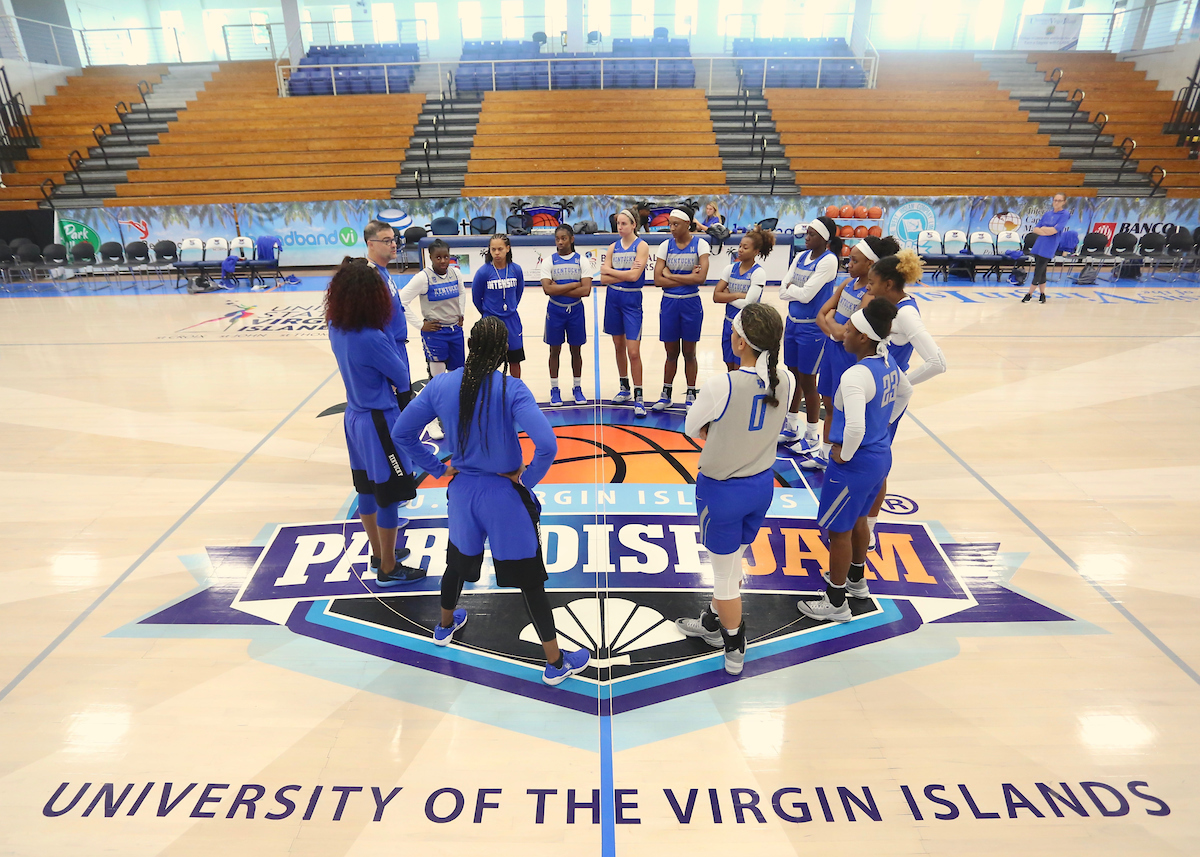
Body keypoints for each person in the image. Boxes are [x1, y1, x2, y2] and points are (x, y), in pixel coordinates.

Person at [392, 317, 592, 686]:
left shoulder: (441, 385)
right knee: (530, 580)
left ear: (469, 345)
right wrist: (526, 479)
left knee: (456, 563)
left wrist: (437, 469)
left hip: (463, 492)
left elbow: (401, 432)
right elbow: (547, 445)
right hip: (504, 497)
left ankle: (445, 625)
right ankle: (555, 662)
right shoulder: (512, 389)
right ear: (503, 352)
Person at [676, 303, 790, 675]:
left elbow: (690, 427)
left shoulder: (720, 384)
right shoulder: (784, 378)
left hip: (722, 491)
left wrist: (717, 433)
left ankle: (733, 642)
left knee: (725, 576)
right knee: (733, 562)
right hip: (761, 486)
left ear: (740, 342)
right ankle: (713, 620)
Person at [797, 297, 912, 622]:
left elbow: (856, 426)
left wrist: (842, 453)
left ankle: (836, 602)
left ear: (862, 337)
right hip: (880, 458)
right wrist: (886, 425)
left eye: (847, 329)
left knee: (839, 532)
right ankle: (856, 582)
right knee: (860, 520)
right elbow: (906, 393)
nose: (842, 333)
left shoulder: (855, 376)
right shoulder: (888, 363)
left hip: (856, 463)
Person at [325, 258, 422, 587]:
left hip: (353, 417)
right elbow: (401, 375)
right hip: (380, 419)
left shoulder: (335, 328)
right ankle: (388, 567)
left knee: (365, 490)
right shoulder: (372, 337)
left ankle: (378, 552)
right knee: (390, 495)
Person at [861, 247, 947, 549]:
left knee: (877, 461)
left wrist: (899, 385)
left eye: (872, 283)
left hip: (889, 399)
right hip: (880, 395)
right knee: (870, 458)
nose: (868, 288)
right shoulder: (894, 307)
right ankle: (863, 521)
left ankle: (869, 529)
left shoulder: (907, 313)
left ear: (888, 284)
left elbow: (938, 362)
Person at [809, 235, 901, 472]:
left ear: (870, 264)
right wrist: (833, 328)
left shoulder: (869, 296)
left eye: (854, 261)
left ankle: (842, 451)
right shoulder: (846, 284)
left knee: (843, 409)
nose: (848, 265)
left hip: (847, 356)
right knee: (828, 404)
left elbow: (843, 331)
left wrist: (832, 325)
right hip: (831, 351)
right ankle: (825, 451)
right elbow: (821, 314)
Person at [778, 216, 841, 452]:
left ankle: (812, 433)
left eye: (812, 234)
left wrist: (792, 290)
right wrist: (794, 291)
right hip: (792, 323)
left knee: (808, 380)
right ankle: (792, 425)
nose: (807, 237)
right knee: (793, 377)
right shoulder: (800, 257)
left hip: (813, 328)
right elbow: (782, 291)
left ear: (825, 239)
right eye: (807, 233)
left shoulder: (829, 261)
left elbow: (805, 295)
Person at [399, 238, 468, 441]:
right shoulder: (423, 278)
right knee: (437, 382)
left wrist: (461, 312)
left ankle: (453, 417)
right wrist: (420, 325)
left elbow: (462, 292)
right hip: (435, 334)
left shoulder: (456, 273)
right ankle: (432, 421)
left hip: (455, 331)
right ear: (430, 258)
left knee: (457, 379)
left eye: (446, 256)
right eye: (438, 257)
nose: (443, 261)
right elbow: (402, 301)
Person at [651, 209, 710, 411]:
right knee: (671, 352)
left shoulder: (700, 244)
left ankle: (691, 392)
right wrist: (685, 277)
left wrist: (671, 275)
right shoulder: (665, 245)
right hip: (669, 304)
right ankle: (666, 393)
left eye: (676, 224)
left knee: (690, 352)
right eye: (670, 224)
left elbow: (701, 279)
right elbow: (657, 280)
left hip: (691, 303)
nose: (672, 228)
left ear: (687, 224)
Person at [537, 224, 594, 406]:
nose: (560, 242)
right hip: (555, 310)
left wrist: (558, 288)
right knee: (554, 350)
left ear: (571, 239)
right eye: (557, 239)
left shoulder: (581, 261)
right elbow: (547, 289)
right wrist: (573, 285)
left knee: (576, 350)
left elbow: (586, 291)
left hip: (576, 310)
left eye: (563, 238)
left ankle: (577, 387)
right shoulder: (549, 261)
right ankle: (555, 389)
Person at [601, 209, 650, 414]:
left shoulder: (642, 246)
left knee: (633, 351)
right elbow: (603, 279)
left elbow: (634, 277)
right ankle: (624, 387)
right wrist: (624, 273)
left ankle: (639, 395)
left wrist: (612, 272)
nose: (620, 227)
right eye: (618, 224)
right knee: (618, 346)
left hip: (631, 300)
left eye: (623, 224)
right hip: (613, 299)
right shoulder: (613, 246)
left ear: (633, 225)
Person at [363, 219, 412, 409]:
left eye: (394, 240)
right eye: (387, 240)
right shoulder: (371, 276)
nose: (393, 245)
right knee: (400, 406)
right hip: (390, 349)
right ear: (371, 244)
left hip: (398, 346)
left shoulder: (383, 270)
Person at [713, 226, 773, 371]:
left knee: (742, 367)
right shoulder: (730, 269)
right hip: (728, 324)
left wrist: (727, 295)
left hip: (747, 326)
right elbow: (715, 296)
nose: (740, 250)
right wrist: (737, 295)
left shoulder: (758, 273)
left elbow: (747, 303)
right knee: (729, 366)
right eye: (740, 246)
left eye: (745, 248)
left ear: (755, 252)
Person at [471, 234, 525, 378]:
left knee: (515, 360)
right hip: (491, 321)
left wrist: (510, 308)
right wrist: (487, 314)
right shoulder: (483, 272)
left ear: (507, 249)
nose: (496, 253)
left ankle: (515, 391)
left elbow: (518, 293)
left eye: (500, 249)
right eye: (493, 249)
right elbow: (476, 298)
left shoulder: (516, 269)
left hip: (512, 321)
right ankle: (488, 393)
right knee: (489, 362)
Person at [1023, 192, 1069, 304]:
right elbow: (1036, 229)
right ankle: (1042, 294)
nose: (1056, 202)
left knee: (1039, 270)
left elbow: (1055, 230)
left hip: (1050, 245)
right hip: (1039, 244)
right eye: (1055, 200)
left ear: (1064, 202)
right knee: (1042, 271)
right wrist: (1046, 230)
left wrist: (1045, 230)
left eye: (1059, 200)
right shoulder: (1047, 214)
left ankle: (1029, 294)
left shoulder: (1065, 214)